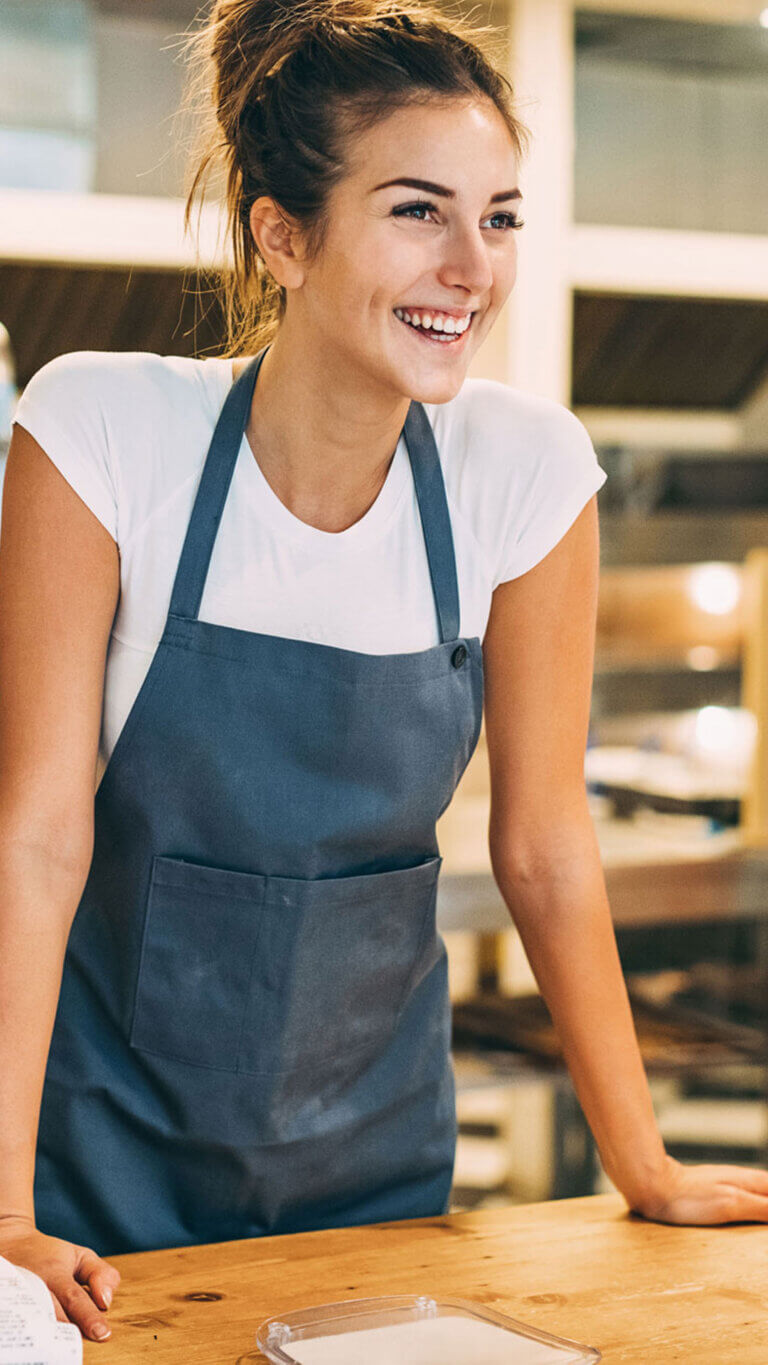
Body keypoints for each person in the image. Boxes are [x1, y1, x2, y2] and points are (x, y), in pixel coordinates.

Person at [2, 0, 768, 1346]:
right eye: (420, 210)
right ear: (280, 232)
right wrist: (0, 1209)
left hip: (376, 1186)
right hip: (98, 1180)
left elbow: (544, 846)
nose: (472, 264)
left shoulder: (522, 472)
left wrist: (642, 1163)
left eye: (503, 215)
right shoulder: (100, 431)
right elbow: (37, 839)